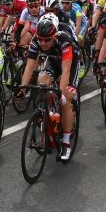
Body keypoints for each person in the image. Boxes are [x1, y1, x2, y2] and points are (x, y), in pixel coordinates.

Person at [16, 18, 79, 162]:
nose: (43, 43)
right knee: (41, 82)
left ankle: (66, 143)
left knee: (66, 99)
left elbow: (66, 70)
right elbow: (30, 66)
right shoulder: (35, 41)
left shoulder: (64, 40)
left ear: (54, 37)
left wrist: (61, 94)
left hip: (70, 64)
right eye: (41, 39)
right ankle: (50, 113)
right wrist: (23, 89)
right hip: (53, 62)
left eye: (47, 40)